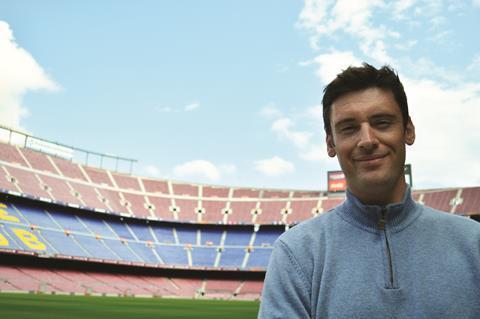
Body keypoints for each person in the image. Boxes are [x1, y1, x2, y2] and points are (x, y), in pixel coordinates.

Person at [258, 63, 480, 318]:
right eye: (349, 128)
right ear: (331, 143)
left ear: (408, 130)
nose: (367, 140)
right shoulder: (296, 253)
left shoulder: (473, 243)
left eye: (382, 122)